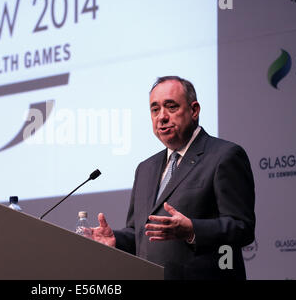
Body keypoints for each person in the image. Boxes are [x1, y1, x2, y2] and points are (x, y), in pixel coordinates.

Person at [90, 76, 255, 280]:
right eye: (155, 109)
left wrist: (192, 230)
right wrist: (117, 239)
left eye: (171, 107)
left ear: (194, 110)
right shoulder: (145, 168)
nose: (162, 117)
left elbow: (242, 227)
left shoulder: (224, 156)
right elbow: (141, 233)